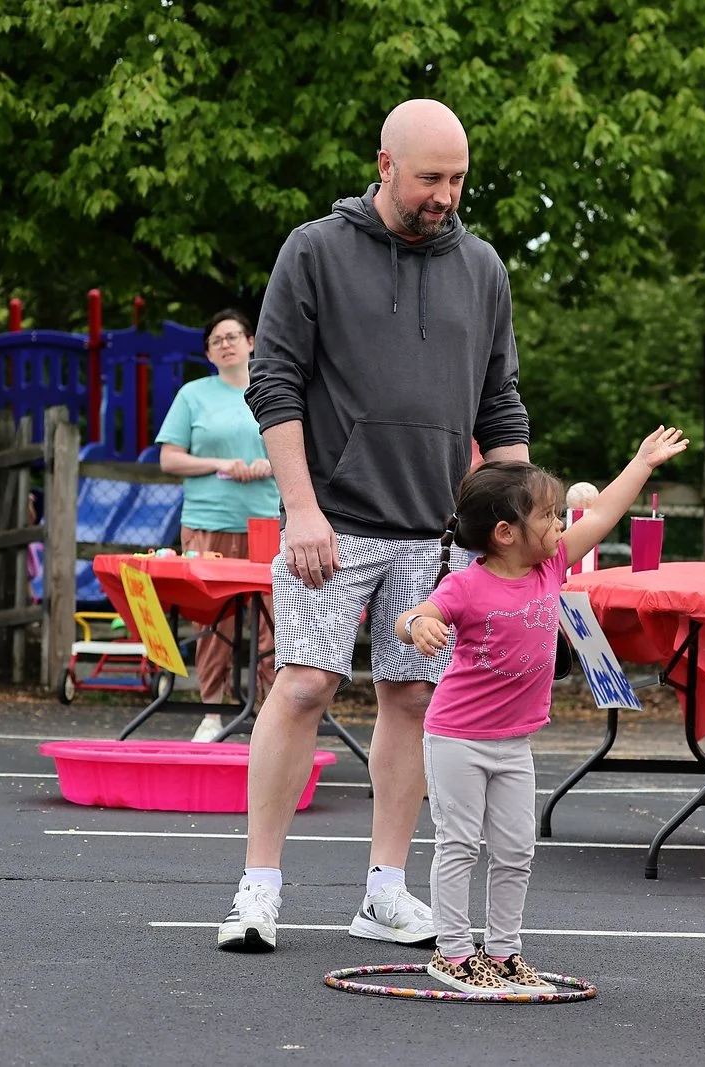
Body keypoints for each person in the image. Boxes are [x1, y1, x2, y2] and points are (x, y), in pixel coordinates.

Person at [219, 98, 531, 953]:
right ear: (385, 164)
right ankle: (259, 886)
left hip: (436, 531)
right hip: (335, 520)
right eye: (431, 178)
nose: (446, 196)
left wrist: (518, 530)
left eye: (458, 179)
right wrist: (302, 509)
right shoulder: (315, 249)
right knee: (307, 684)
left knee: (412, 695)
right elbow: (274, 382)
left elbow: (499, 400)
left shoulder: (484, 267)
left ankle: (385, 892)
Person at [395, 428, 688, 992]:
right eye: (551, 516)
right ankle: (452, 953)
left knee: (515, 850)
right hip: (457, 738)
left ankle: (503, 953)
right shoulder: (465, 585)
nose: (561, 526)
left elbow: (601, 517)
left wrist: (642, 462)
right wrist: (420, 625)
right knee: (458, 844)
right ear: (506, 533)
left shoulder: (551, 568)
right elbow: (411, 615)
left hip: (514, 742)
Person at [156, 310, 281, 742]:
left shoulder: (273, 390)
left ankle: (271, 715)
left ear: (251, 343)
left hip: (267, 524)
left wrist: (273, 463)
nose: (225, 344)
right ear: (209, 353)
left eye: (233, 336)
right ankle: (214, 710)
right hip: (207, 524)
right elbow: (169, 458)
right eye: (216, 340)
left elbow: (306, 450)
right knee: (213, 622)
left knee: (274, 621)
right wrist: (219, 464)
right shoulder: (194, 395)